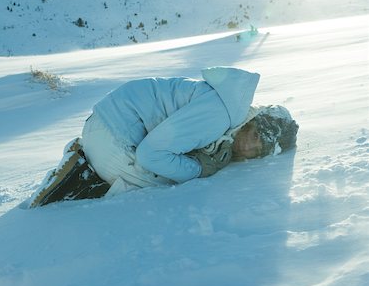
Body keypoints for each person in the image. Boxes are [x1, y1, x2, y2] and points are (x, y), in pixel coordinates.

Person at [79, 66, 299, 196]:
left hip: (106, 128)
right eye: (256, 137)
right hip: (113, 139)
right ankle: (84, 184)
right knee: (165, 189)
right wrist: (199, 169)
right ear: (252, 122)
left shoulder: (227, 109)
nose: (249, 147)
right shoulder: (220, 114)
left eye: (258, 151)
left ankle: (87, 167)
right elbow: (150, 155)